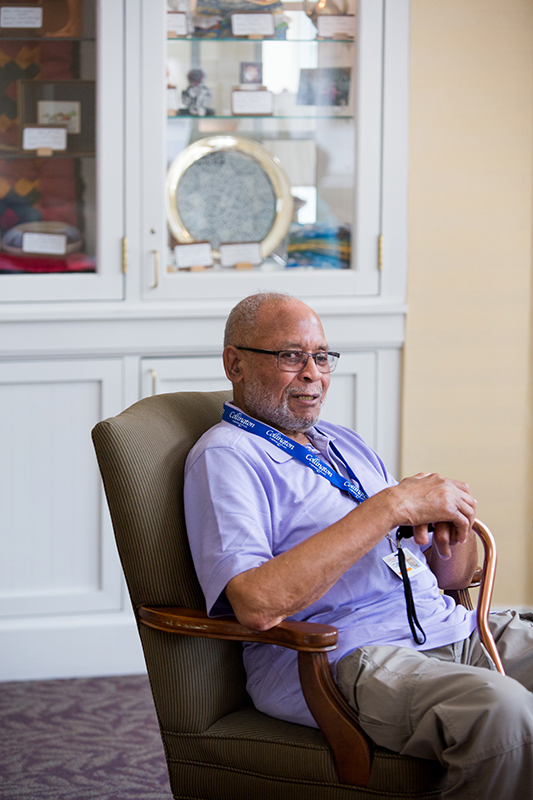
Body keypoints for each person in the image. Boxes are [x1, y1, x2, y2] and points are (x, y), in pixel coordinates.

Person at [184, 292, 533, 799]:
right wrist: (389, 506)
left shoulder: (343, 444)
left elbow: (451, 582)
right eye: (290, 355)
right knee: (501, 713)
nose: (312, 373)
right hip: (347, 656)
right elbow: (256, 605)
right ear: (234, 363)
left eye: (321, 356)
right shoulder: (225, 456)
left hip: (441, 626)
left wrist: (449, 525)